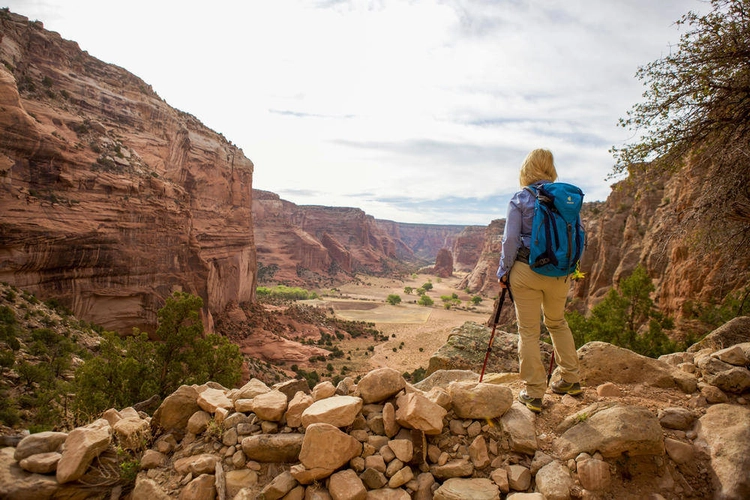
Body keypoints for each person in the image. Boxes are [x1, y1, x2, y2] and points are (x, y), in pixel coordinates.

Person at [497, 148, 582, 413]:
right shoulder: (565, 199)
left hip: (527, 270)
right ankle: (571, 379)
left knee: (529, 332)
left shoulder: (521, 198)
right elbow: (578, 235)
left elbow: (510, 240)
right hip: (561, 272)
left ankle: (534, 394)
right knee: (557, 323)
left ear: (527, 168)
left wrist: (503, 271)